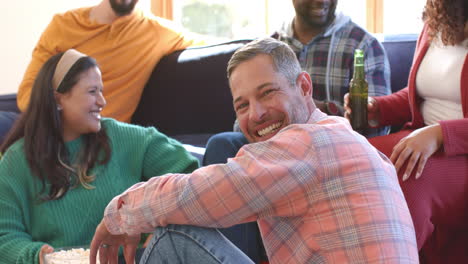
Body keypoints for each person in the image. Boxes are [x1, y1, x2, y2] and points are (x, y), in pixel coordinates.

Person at [89, 37, 419, 264]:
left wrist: (120, 213)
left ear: (304, 86)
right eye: (242, 104)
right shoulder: (346, 142)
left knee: (174, 235)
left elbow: (197, 195)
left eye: (268, 92)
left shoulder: (307, 144)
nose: (256, 114)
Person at [201, 0, 392, 260]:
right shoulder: (268, 47)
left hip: (329, 163)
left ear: (305, 87)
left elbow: (374, 128)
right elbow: (247, 119)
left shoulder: (363, 45)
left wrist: (313, 116)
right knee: (223, 144)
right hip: (271, 154)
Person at [0, 49, 199, 264]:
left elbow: (190, 177)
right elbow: (6, 237)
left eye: (101, 91)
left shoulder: (128, 139)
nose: (102, 101)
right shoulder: (16, 161)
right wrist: (38, 256)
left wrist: (156, 230)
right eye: (92, 91)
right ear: (58, 99)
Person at [344, 0, 467, 262]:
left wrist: (439, 134)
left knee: (407, 176)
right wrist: (378, 109)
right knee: (350, 158)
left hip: (461, 152)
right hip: (419, 136)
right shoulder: (436, 20)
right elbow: (423, 94)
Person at [0, 0, 200, 144]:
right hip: (47, 123)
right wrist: (60, 118)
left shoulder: (160, 33)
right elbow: (28, 93)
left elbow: (222, 50)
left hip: (99, 134)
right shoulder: (63, 25)